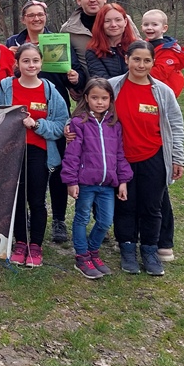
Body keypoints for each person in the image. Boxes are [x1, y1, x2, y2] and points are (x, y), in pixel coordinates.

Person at [6, 0, 86, 245]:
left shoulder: (58, 41)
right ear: (24, 19)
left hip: (53, 109)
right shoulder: (12, 43)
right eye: (31, 15)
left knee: (56, 168)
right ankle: (26, 217)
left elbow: (78, 78)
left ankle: (59, 219)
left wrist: (75, 78)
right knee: (26, 172)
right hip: (21, 114)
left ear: (46, 17)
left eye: (40, 15)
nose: (36, 19)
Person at [109, 41, 184, 276]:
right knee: (125, 206)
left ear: (153, 62)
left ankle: (150, 250)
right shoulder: (113, 87)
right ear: (127, 60)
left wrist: (177, 157)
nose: (141, 65)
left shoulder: (163, 91)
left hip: (153, 156)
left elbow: (175, 125)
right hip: (121, 159)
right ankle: (127, 248)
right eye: (136, 59)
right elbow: (90, 113)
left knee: (152, 207)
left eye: (146, 60)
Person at [0, 43, 69, 268]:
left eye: (35, 61)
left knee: (36, 200)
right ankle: (20, 243)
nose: (31, 65)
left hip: (39, 152)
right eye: (26, 61)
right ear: (17, 64)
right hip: (12, 152)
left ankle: (35, 245)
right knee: (15, 200)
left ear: (41, 63)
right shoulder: (6, 87)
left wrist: (36, 125)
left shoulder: (50, 91)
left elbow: (60, 125)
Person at [60, 78, 132, 279]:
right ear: (86, 98)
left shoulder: (114, 125)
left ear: (110, 99)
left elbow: (119, 154)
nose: (99, 102)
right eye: (95, 98)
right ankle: (82, 256)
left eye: (104, 98)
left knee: (105, 221)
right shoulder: (78, 123)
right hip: (85, 183)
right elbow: (72, 155)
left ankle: (93, 250)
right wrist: (71, 181)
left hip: (108, 184)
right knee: (82, 218)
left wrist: (123, 181)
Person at [141, 8, 184, 263]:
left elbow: (153, 78)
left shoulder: (168, 54)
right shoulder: (149, 48)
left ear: (165, 26)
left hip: (160, 124)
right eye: (146, 24)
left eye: (154, 24)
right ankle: (143, 236)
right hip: (140, 125)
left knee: (158, 188)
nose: (149, 28)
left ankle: (164, 241)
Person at [86, 3, 137, 79]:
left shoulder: (137, 48)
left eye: (118, 20)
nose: (113, 24)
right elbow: (102, 83)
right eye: (107, 21)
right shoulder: (93, 52)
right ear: (101, 24)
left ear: (125, 22)